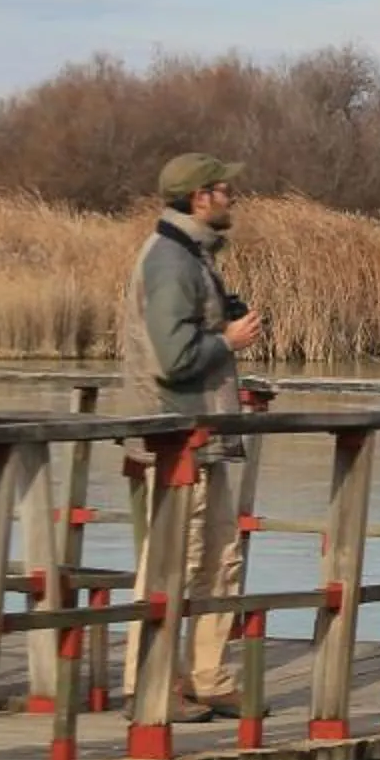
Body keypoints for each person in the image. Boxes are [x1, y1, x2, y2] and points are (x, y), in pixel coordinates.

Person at [117, 151, 264, 720]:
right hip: (178, 436)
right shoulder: (170, 260)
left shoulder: (190, 254)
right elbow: (173, 358)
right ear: (201, 198)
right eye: (224, 189)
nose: (232, 198)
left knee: (219, 557)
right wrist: (228, 340)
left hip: (204, 433)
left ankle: (208, 676)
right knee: (173, 561)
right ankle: (148, 683)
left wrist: (223, 326)